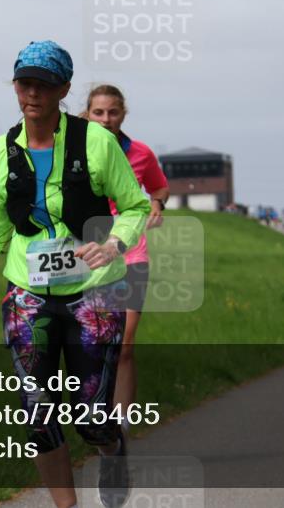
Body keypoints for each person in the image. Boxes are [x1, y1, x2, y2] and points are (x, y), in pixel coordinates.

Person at [0, 41, 151, 508]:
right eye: (25, 83)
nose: (33, 93)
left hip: (93, 293)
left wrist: (112, 244)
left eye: (44, 85)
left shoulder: (96, 142)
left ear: (63, 89)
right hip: (28, 292)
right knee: (37, 414)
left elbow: (135, 206)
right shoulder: (0, 152)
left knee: (92, 418)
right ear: (16, 87)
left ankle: (111, 447)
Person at [81, 84, 169, 433]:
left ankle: (119, 424)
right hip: (87, 254)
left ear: (123, 114)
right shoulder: (73, 149)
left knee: (125, 341)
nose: (105, 119)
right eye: (98, 112)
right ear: (87, 113)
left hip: (132, 253)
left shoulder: (142, 154)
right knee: (91, 342)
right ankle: (92, 414)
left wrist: (157, 204)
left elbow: (159, 187)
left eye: (112, 112)